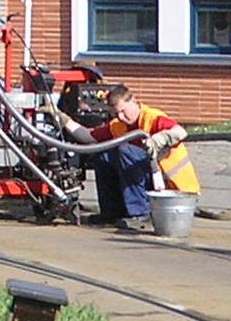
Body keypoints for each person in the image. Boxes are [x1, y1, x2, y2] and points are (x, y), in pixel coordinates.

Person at [55, 85, 198, 230]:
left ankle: (141, 214)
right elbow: (88, 136)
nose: (121, 117)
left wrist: (160, 138)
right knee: (103, 154)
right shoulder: (118, 125)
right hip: (150, 181)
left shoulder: (152, 118)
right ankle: (112, 213)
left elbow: (180, 132)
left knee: (124, 151)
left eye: (124, 111)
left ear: (133, 101)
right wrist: (63, 119)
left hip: (171, 188)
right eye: (117, 114)